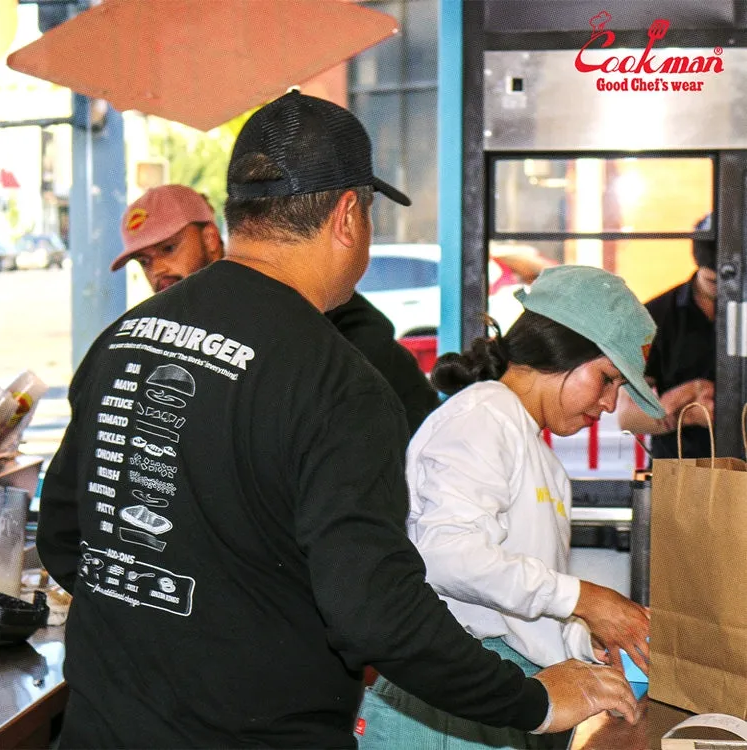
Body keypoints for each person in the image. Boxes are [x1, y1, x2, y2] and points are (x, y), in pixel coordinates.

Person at [38, 92, 639, 749]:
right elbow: (376, 614)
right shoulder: (338, 384)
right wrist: (527, 699)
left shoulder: (126, 338)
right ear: (350, 214)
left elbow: (66, 535)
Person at [357, 265, 661, 750]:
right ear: (563, 351)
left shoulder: (539, 453)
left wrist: (589, 641)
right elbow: (449, 555)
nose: (608, 404)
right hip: (448, 696)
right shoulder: (483, 415)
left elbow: (518, 606)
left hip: (503, 690)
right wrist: (585, 599)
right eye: (606, 378)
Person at [111, 184, 439, 434]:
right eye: (145, 261)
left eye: (169, 248)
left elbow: (368, 346)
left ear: (211, 239)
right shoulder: (153, 336)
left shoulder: (291, 297)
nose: (158, 269)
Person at [617, 213, 716, 458]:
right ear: (699, 266)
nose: (728, 289)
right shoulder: (655, 317)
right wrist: (691, 411)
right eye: (713, 281)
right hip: (681, 471)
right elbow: (627, 416)